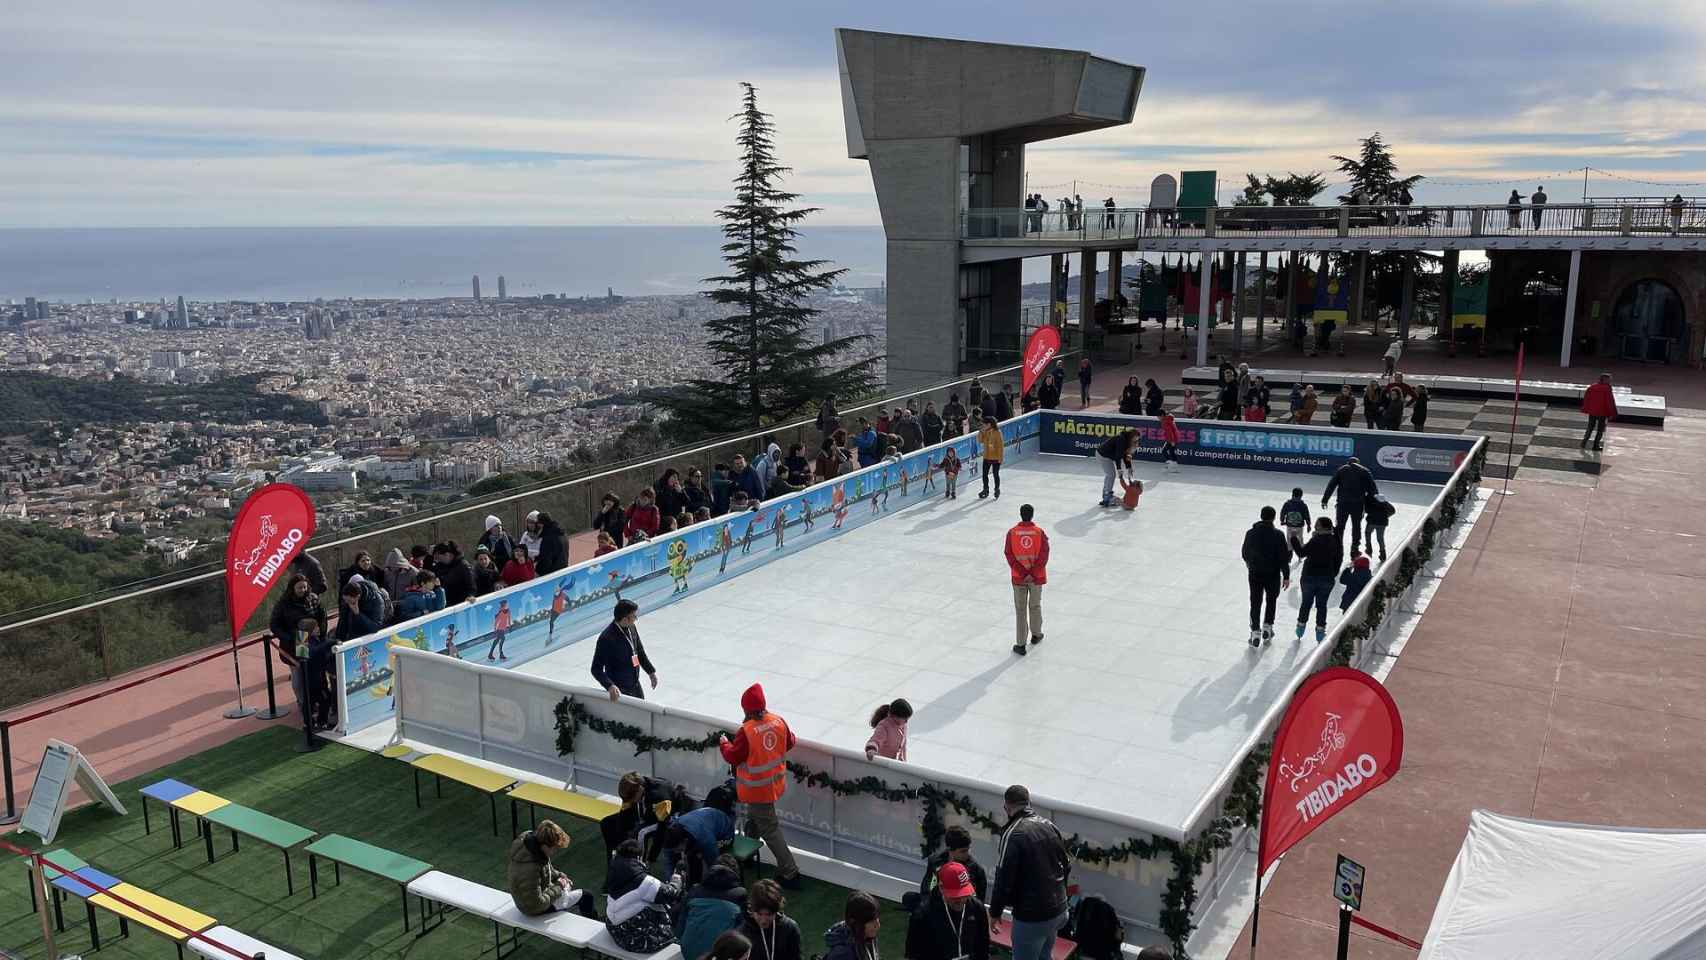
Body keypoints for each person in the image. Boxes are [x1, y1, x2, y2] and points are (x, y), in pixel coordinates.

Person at [719, 683, 803, 889]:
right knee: (755, 819)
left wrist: (723, 742)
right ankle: (748, 855)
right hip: (774, 784)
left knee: (770, 829)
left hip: (755, 789)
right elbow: (790, 741)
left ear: (746, 708)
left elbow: (733, 755)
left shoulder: (746, 731)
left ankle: (790, 872)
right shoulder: (777, 720)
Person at [987, 785, 1070, 960]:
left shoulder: (1013, 834)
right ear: (1029, 803)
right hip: (1059, 910)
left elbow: (1003, 878)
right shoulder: (1049, 826)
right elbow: (1066, 865)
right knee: (1045, 955)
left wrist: (995, 912)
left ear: (1006, 807)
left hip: (1032, 915)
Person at [605, 838, 685, 954]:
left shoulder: (614, 868)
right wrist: (677, 878)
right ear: (638, 857)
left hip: (614, 928)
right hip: (633, 938)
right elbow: (671, 894)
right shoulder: (644, 881)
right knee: (674, 926)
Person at [507, 820, 595, 918]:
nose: (555, 852)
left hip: (527, 900)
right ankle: (594, 923)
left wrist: (558, 875)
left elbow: (545, 871)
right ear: (545, 846)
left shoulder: (532, 848)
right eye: (555, 848)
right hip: (532, 908)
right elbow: (537, 904)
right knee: (587, 896)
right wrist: (559, 886)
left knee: (567, 886)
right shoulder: (531, 869)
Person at [270, 574, 328, 719]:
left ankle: (319, 703)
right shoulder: (283, 604)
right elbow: (274, 625)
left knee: (317, 675)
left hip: (314, 639)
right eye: (299, 587)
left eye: (304, 587)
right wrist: (290, 638)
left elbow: (322, 616)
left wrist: (321, 631)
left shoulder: (313, 598)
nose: (303, 590)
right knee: (298, 678)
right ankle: (304, 706)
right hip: (297, 640)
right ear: (292, 588)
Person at [906, 862, 991, 960]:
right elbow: (913, 954)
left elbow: (983, 948)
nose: (960, 900)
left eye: (964, 894)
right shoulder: (923, 914)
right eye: (955, 895)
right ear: (941, 888)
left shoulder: (977, 908)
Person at [675, 854, 747, 960]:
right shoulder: (740, 895)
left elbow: (680, 926)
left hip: (687, 951)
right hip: (717, 955)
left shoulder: (695, 890)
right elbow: (743, 931)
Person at [662, 783, 738, 883]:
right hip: (704, 823)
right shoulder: (672, 830)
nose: (676, 851)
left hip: (725, 832)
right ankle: (694, 883)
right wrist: (669, 883)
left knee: (698, 855)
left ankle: (700, 885)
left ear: (684, 841)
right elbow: (669, 861)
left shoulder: (705, 839)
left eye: (677, 849)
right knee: (692, 854)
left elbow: (714, 865)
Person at [1242, 505, 1292, 647]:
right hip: (1273, 574)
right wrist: (1286, 576)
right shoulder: (1278, 535)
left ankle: (1255, 631)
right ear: (1274, 517)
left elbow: (1244, 552)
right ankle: (1268, 627)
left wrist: (1250, 563)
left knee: (1255, 602)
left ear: (1261, 516)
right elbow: (1283, 557)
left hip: (1255, 573)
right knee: (1271, 600)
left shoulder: (1251, 533)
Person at [1004, 504, 1049, 656]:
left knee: (1021, 610)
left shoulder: (1012, 533)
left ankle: (1021, 644)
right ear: (1032, 515)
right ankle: (1036, 634)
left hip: (1019, 578)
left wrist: (1023, 573)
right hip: (1036, 578)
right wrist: (1032, 572)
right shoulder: (1039, 532)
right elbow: (1044, 555)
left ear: (1020, 514)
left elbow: (1009, 555)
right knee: (1035, 606)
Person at [1289, 517, 1343, 643]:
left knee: (1306, 603)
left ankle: (1300, 626)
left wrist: (1293, 538)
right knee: (1322, 605)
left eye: (1317, 525)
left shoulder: (1316, 540)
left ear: (1323, 527)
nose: (1315, 526)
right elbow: (1338, 558)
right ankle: (1320, 630)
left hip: (1309, 577)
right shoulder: (1335, 540)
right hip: (1326, 578)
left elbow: (1302, 553)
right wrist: (1332, 573)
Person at [592, 599, 657, 701]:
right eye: (634, 616)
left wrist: (651, 672)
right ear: (625, 619)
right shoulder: (606, 638)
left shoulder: (632, 627)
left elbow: (639, 651)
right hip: (620, 691)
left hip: (635, 684)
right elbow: (596, 669)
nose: (636, 618)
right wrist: (610, 686)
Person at [917, 825, 989, 905]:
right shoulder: (935, 861)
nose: (967, 854)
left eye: (968, 850)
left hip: (960, 907)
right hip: (937, 902)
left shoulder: (976, 870)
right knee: (910, 897)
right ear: (950, 849)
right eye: (963, 851)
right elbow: (927, 887)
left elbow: (977, 900)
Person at [1323, 456, 1379, 547]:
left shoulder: (1342, 470)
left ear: (1348, 462)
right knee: (1356, 526)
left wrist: (1325, 500)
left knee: (1340, 525)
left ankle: (1338, 544)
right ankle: (1355, 546)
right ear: (1358, 463)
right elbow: (1373, 489)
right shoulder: (1365, 471)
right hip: (1358, 504)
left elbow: (1331, 485)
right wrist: (1373, 504)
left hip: (1342, 503)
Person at [741, 880, 804, 960]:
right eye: (759, 914)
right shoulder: (742, 933)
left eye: (769, 914)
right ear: (751, 909)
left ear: (777, 911)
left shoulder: (790, 927)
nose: (763, 920)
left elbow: (796, 957)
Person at [823, 892, 882, 960]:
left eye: (877, 918)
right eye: (871, 921)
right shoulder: (844, 953)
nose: (877, 925)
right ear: (854, 922)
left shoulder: (867, 935)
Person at [1097, 430, 1136, 508]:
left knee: (1111, 475)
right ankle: (1107, 496)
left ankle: (1106, 494)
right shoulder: (1121, 439)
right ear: (1131, 436)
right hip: (1103, 455)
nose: (1135, 441)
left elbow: (1126, 456)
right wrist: (1119, 469)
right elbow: (1118, 456)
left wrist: (1129, 468)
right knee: (1111, 474)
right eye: (1135, 439)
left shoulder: (1127, 443)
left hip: (1109, 456)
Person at [429, 541, 475, 605]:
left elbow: (471, 586)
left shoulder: (463, 566)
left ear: (448, 555)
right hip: (444, 603)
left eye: (440, 557)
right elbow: (429, 576)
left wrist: (470, 596)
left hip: (459, 604)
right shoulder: (439, 566)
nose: (438, 560)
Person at [1581, 372, 1617, 451]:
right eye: (1609, 379)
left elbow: (1587, 399)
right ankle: (1595, 445)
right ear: (1605, 380)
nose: (1610, 381)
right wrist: (1612, 413)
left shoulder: (1592, 387)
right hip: (1602, 412)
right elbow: (1609, 401)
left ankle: (1584, 442)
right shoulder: (1607, 388)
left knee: (1590, 427)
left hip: (1592, 411)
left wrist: (1586, 408)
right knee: (1600, 430)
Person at [977, 417, 1004, 500]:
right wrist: (981, 432)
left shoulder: (997, 433)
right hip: (987, 457)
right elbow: (980, 441)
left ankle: (997, 489)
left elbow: (1000, 446)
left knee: (996, 474)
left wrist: (1000, 458)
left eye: (984, 424)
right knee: (984, 475)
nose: (983, 426)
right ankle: (986, 489)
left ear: (989, 424)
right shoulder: (985, 432)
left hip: (996, 458)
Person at [1364, 493, 1393, 562]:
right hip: (1382, 524)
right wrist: (1386, 516)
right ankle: (1383, 553)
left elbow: (1366, 510)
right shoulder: (1386, 504)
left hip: (1372, 523)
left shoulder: (1372, 504)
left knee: (1367, 533)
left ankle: (1369, 548)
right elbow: (1393, 511)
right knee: (1380, 538)